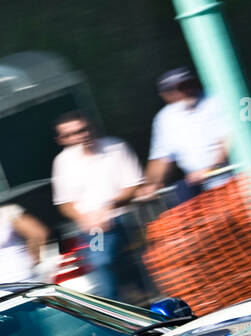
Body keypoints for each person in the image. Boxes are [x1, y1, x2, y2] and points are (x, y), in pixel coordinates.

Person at [51, 111, 144, 301]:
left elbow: (133, 186)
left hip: (121, 214)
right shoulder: (62, 162)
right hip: (92, 226)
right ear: (62, 139)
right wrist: (85, 218)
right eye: (73, 134)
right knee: (99, 260)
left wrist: (108, 207)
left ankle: (118, 303)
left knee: (101, 259)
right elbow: (64, 204)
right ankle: (118, 303)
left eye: (84, 129)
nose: (81, 136)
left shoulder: (116, 147)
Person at [140, 68, 232, 202]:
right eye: (177, 88)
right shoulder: (164, 118)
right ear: (166, 95)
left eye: (187, 85)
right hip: (199, 190)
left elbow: (230, 139)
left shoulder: (216, 100)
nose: (185, 91)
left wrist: (210, 169)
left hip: (231, 178)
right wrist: (150, 185)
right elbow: (161, 158)